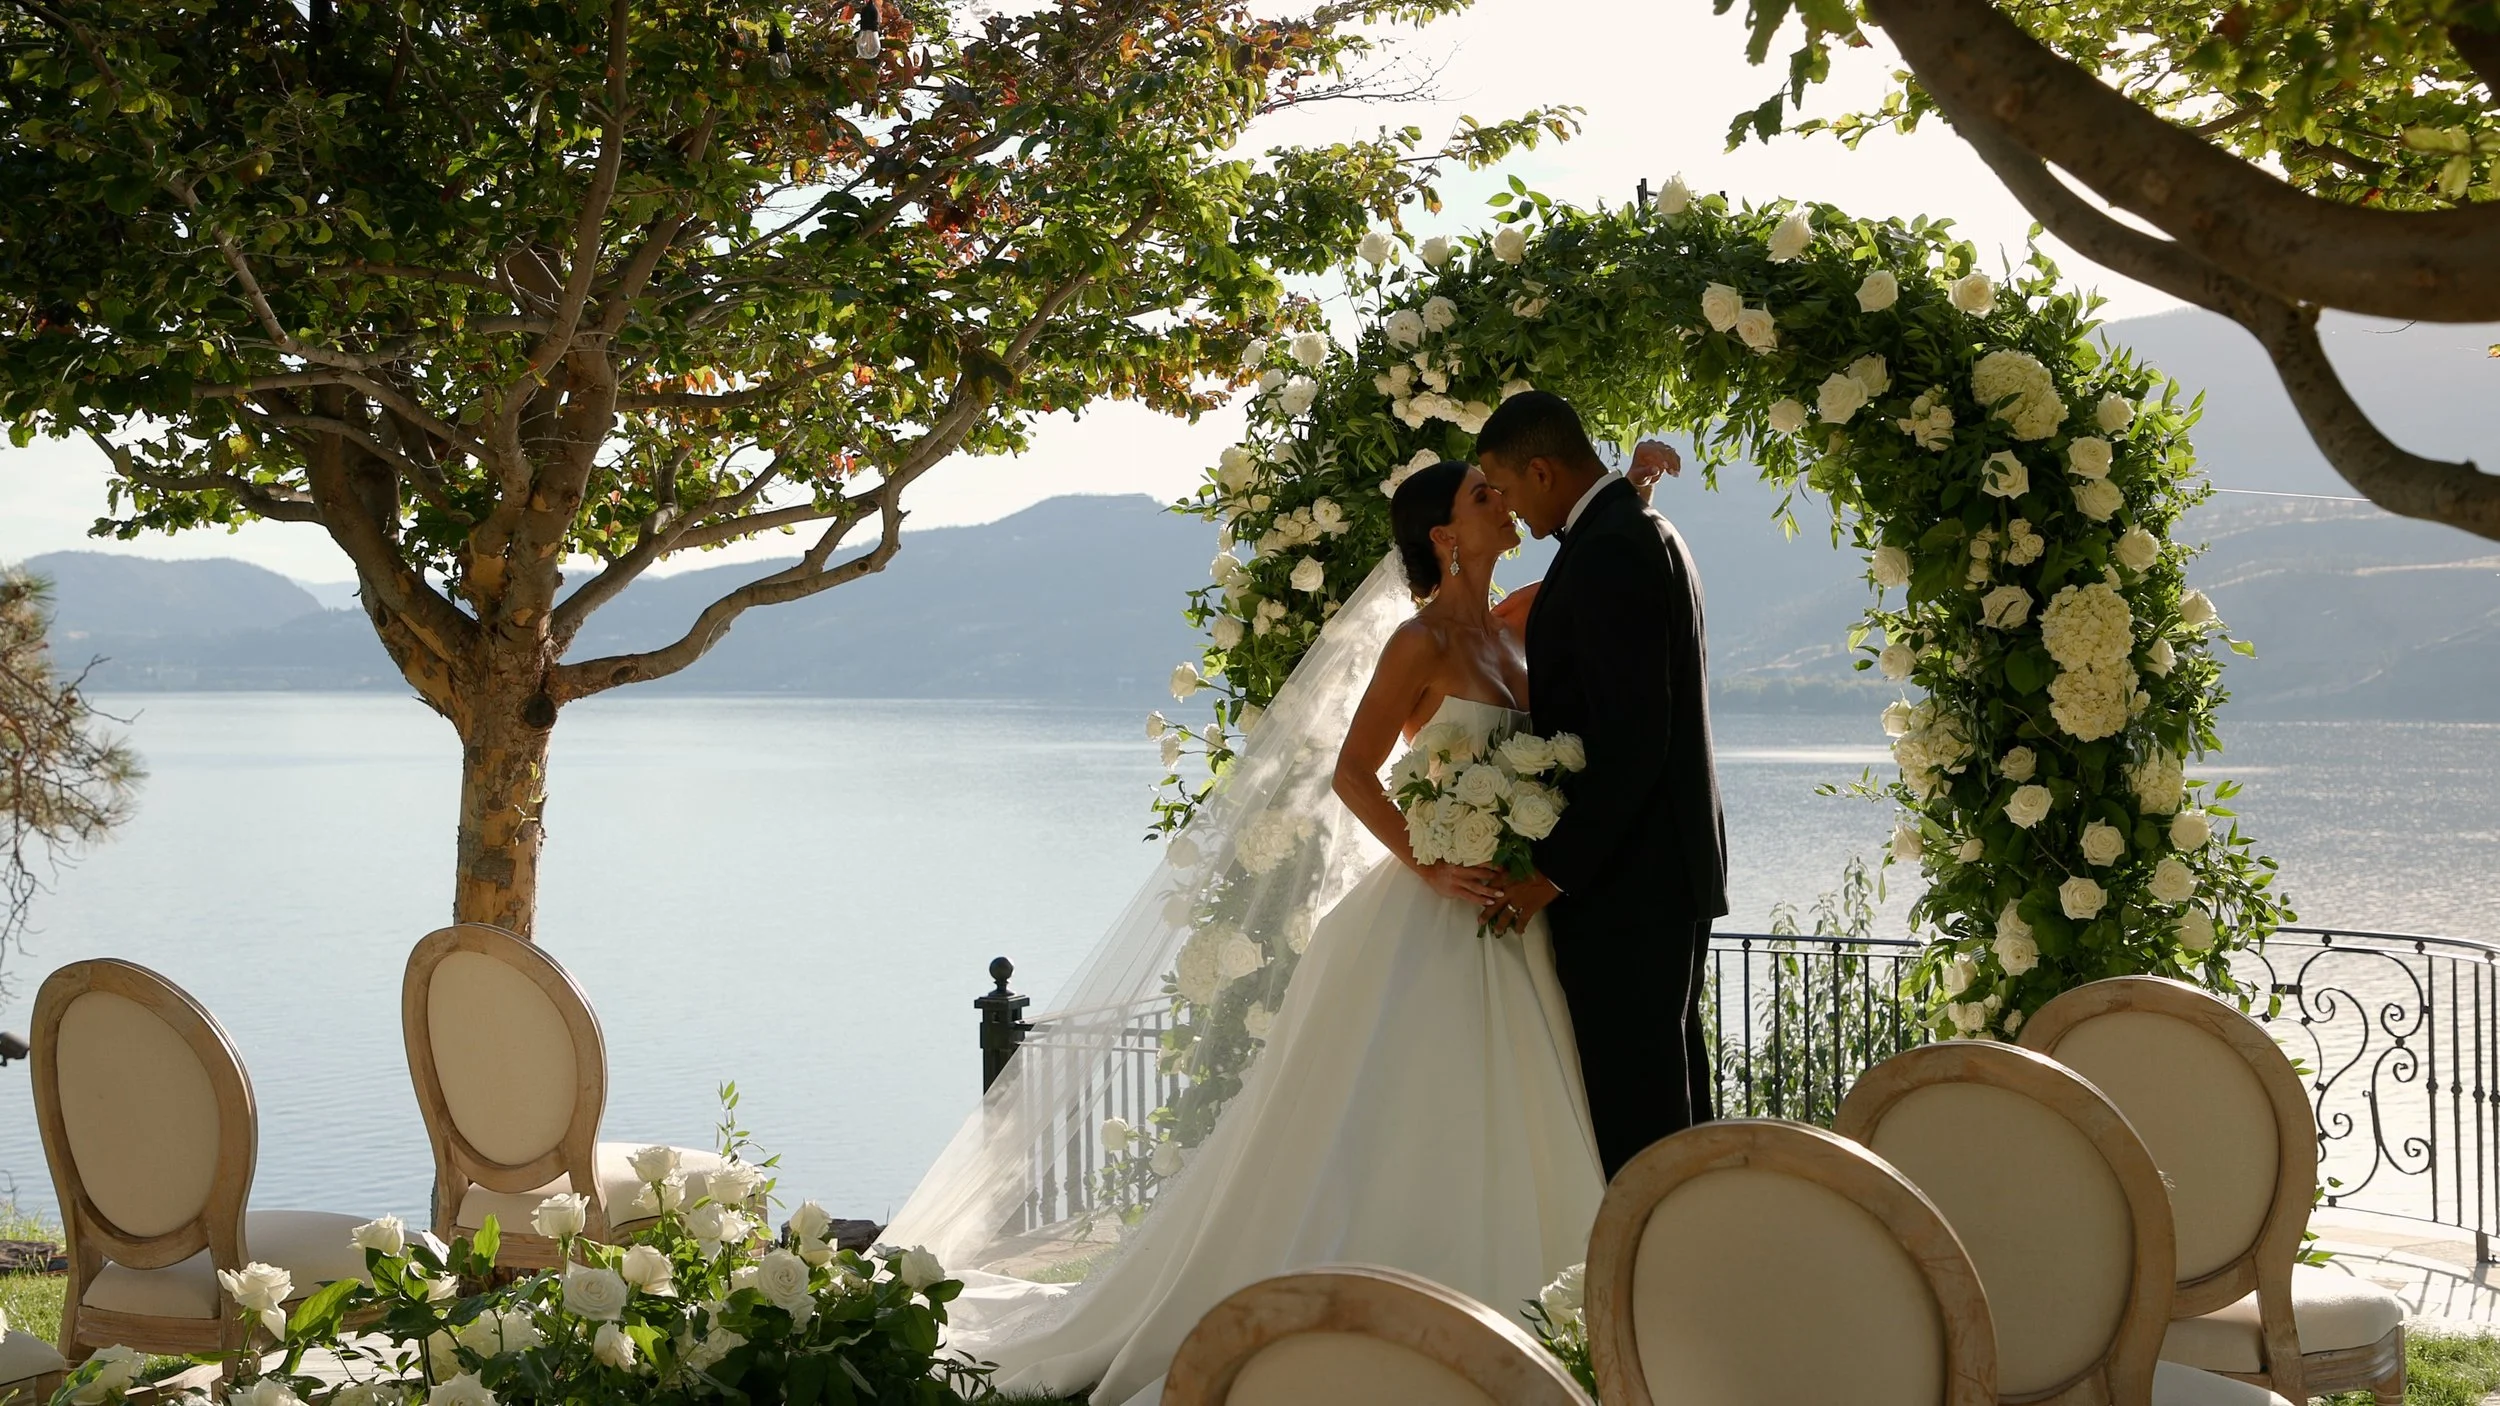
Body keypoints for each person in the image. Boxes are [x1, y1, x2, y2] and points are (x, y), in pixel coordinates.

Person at [899, 460, 1603, 1406]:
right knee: (1400, 1118)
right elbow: (1355, 773)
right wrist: (1429, 862)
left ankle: (1527, 1324)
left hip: (1502, 924)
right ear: (1443, 535)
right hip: (1425, 918)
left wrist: (1630, 488)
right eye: (1483, 495)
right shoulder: (1419, 641)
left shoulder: (1509, 626)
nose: (1504, 502)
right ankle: (1369, 1314)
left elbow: (1602, 565)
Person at [1475, 390, 1729, 1178]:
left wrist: (1549, 875)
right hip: (1657, 874)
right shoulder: (1637, 531)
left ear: (1543, 470)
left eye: (1508, 489)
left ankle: (1656, 1284)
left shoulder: (1612, 547)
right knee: (1668, 1105)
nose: (1510, 513)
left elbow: (1633, 740)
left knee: (1638, 1124)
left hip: (1629, 885)